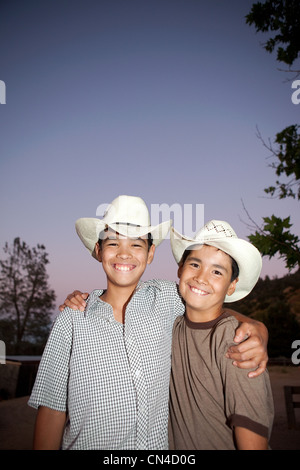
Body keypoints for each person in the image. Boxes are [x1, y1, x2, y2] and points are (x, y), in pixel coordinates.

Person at [29, 195, 268, 450]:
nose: (124, 253)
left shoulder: (167, 298)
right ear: (98, 251)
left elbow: (210, 305)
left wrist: (258, 328)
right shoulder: (72, 319)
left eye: (136, 245)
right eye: (112, 242)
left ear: (151, 253)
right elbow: (53, 409)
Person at [168, 220, 274, 450]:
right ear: (180, 267)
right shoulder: (169, 325)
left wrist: (257, 326)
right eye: (195, 264)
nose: (202, 278)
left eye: (217, 271)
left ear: (231, 286)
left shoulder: (238, 342)